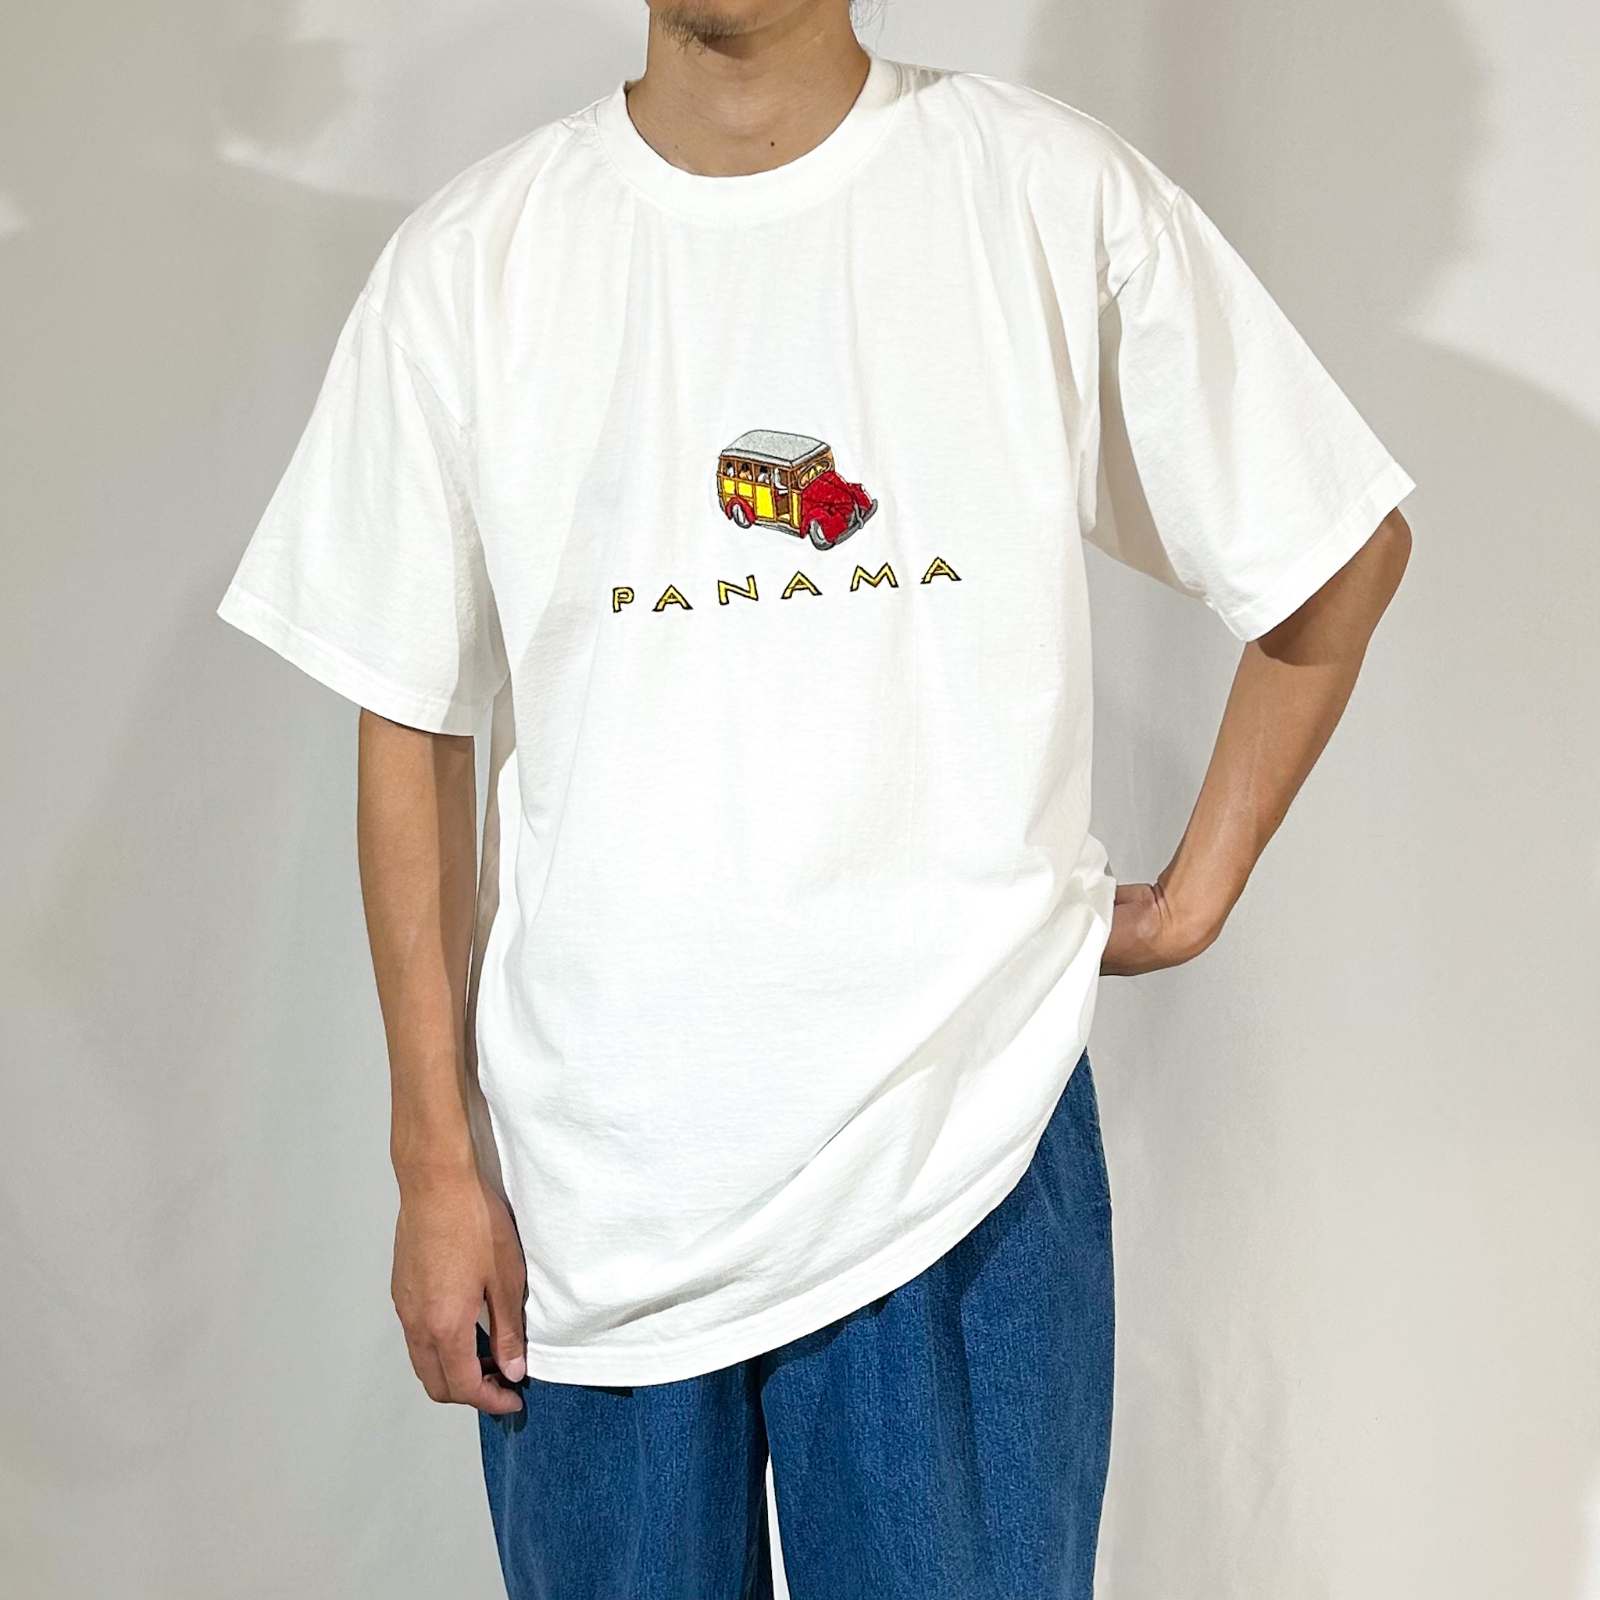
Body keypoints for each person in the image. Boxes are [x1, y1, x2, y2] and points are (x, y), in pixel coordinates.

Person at [217, 1, 1414, 1594]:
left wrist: (1200, 892)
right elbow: (413, 732)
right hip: (593, 1198)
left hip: (963, 1165)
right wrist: (433, 1165)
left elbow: (1335, 549)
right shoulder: (474, 263)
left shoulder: (1043, 194)